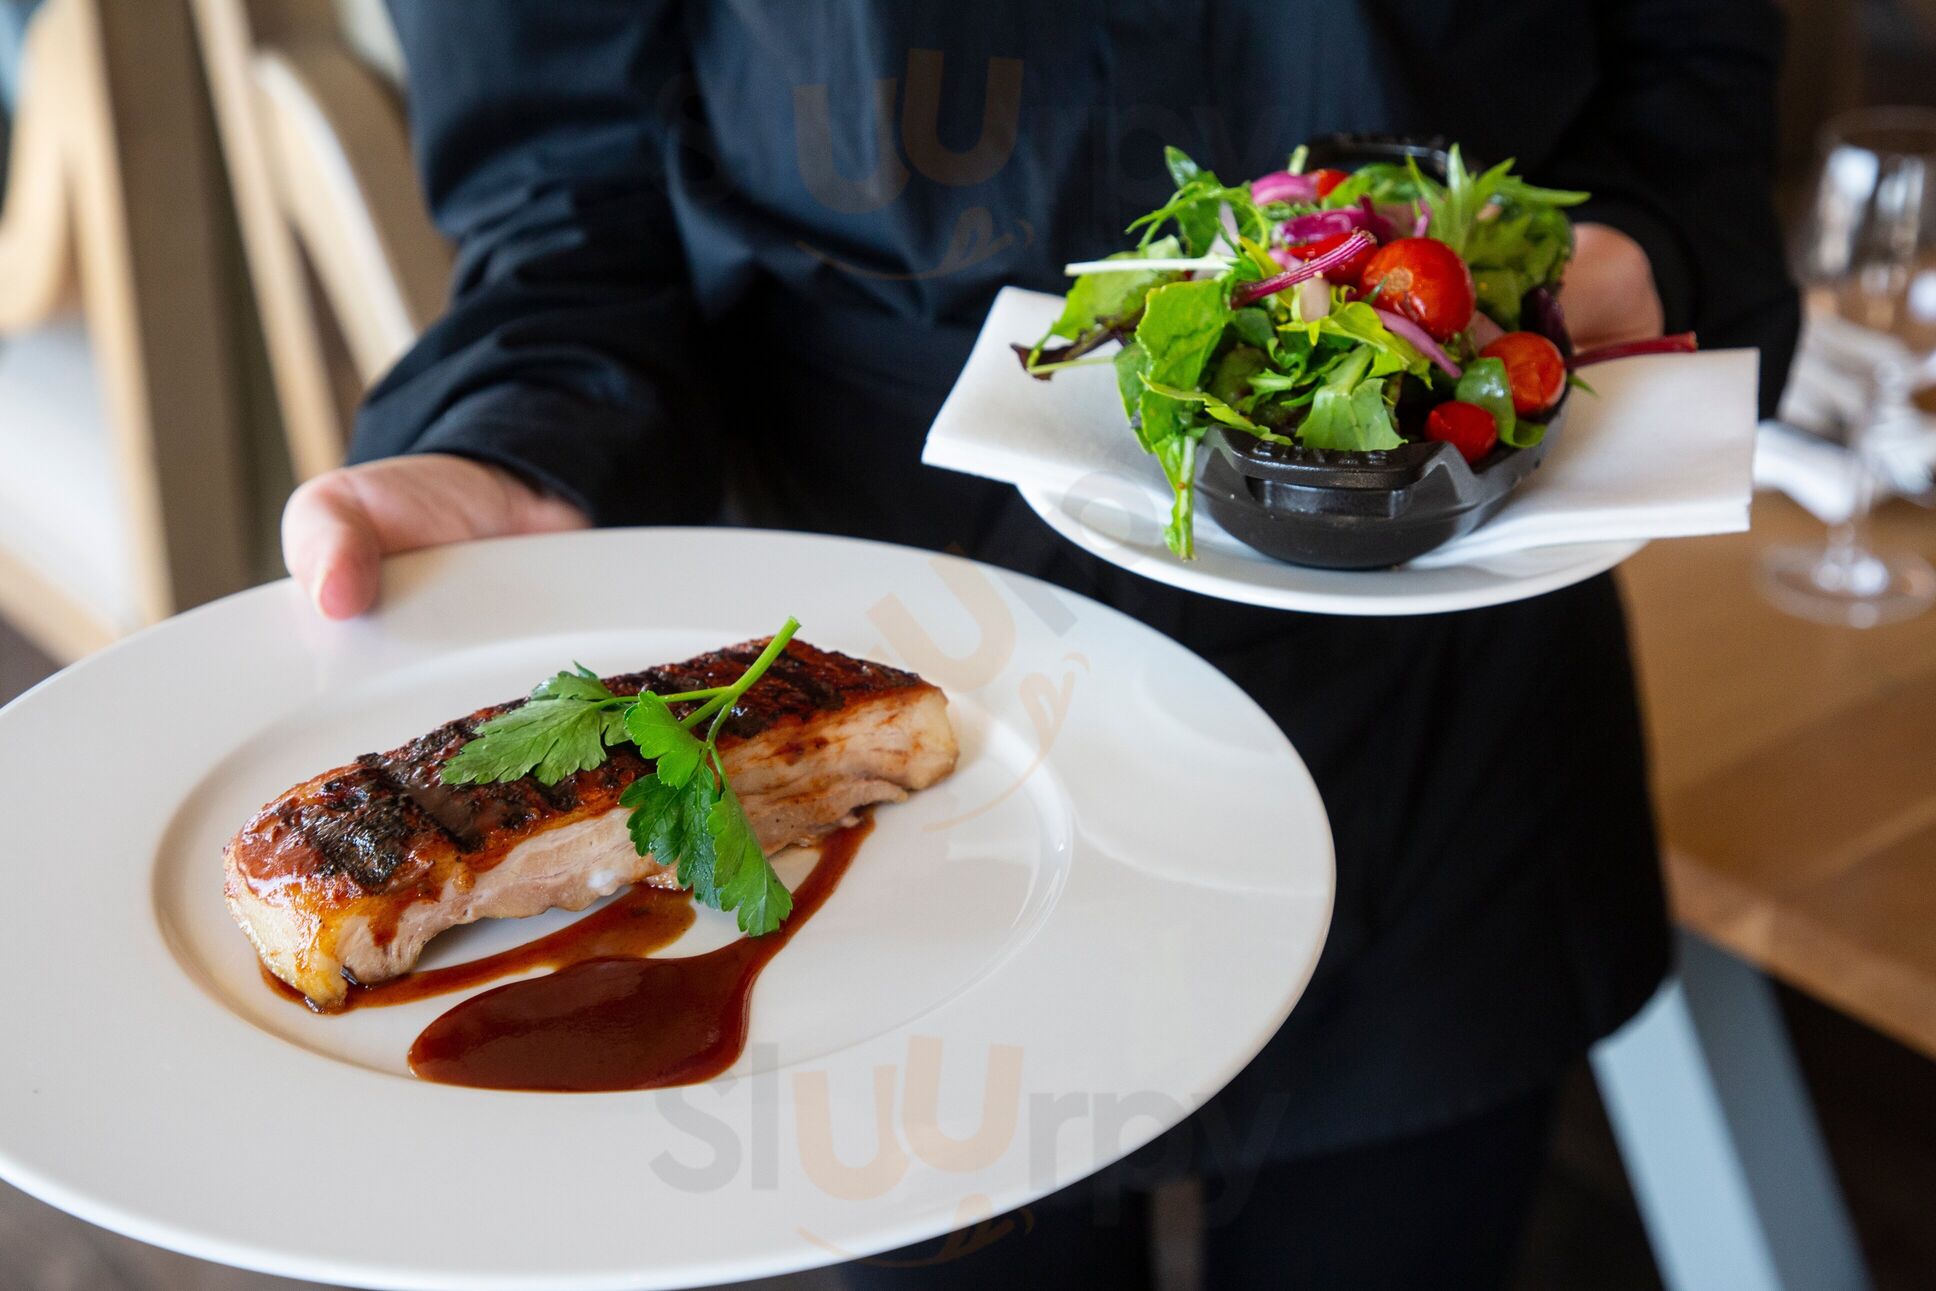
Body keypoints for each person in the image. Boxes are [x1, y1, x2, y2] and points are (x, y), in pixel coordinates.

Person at [286, 3, 1799, 1286]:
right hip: (872, 783)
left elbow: (1693, 82)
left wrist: (1630, 258)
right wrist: (518, 441)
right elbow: (567, 187)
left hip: (1439, 722)